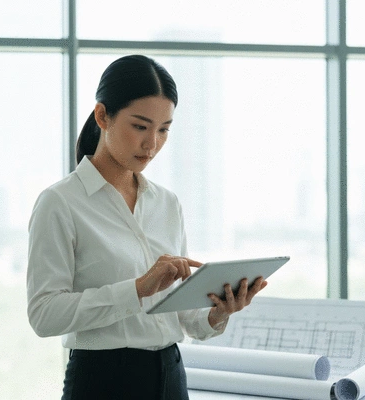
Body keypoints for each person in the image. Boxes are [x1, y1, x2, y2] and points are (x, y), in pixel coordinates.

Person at [27, 54, 268, 400]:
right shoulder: (60, 203)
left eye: (164, 129)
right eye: (140, 126)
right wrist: (138, 288)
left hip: (171, 376)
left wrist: (218, 313)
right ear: (102, 116)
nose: (152, 144)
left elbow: (185, 319)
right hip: (101, 382)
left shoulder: (167, 204)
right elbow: (44, 315)